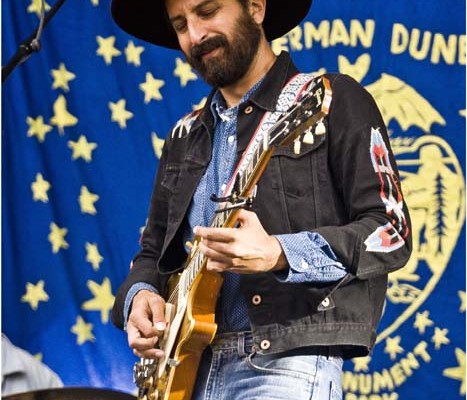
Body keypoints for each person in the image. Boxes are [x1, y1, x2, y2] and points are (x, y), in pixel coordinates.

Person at [110, 0, 412, 399]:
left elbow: (391, 230)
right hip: (187, 367)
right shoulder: (183, 136)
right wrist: (140, 297)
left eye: (207, 11)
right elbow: (150, 252)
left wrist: (278, 252)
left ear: (255, 7)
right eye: (180, 24)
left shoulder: (330, 98)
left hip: (285, 362)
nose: (195, 36)